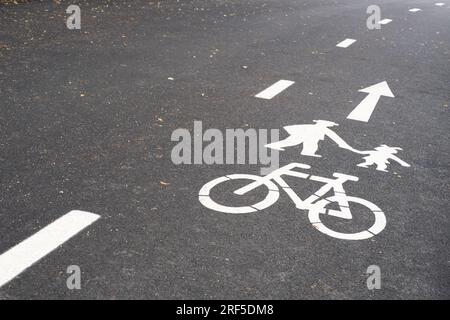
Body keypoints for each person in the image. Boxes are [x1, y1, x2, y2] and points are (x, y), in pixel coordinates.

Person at [265, 120, 359, 157]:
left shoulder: (319, 128)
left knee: (310, 143)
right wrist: (346, 146)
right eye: (330, 124)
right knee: (293, 141)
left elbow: (336, 138)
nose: (331, 125)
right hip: (303, 133)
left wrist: (344, 145)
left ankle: (308, 152)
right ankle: (272, 145)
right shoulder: (321, 128)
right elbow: (336, 138)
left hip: (306, 134)